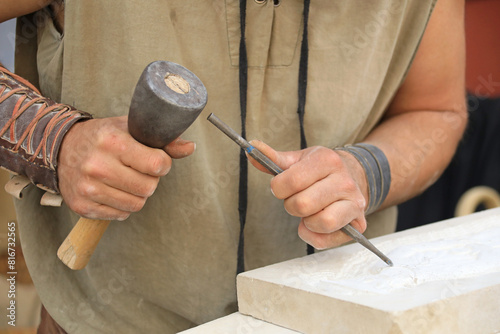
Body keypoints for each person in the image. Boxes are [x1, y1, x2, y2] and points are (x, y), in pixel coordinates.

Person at [0, 0, 466, 333]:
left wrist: (365, 171)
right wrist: (53, 139)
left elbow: (435, 111)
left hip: (338, 319)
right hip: (109, 321)